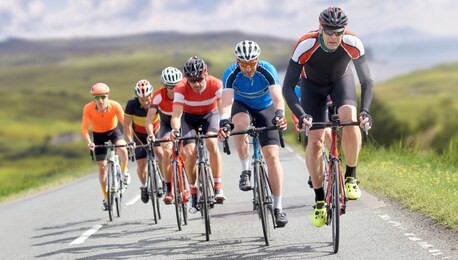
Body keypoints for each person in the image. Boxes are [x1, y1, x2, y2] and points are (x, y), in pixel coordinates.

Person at [282, 7, 373, 227]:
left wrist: (365, 111)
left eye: (338, 32)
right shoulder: (305, 44)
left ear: (344, 30)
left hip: (341, 81)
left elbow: (367, 81)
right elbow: (287, 87)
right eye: (329, 31)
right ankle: (320, 199)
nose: (333, 37)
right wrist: (301, 115)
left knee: (350, 118)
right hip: (311, 88)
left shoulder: (353, 43)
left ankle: (351, 176)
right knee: (315, 142)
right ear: (321, 28)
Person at [217, 40, 288, 227]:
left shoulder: (267, 70)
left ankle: (278, 207)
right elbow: (226, 101)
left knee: (272, 157)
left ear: (258, 59)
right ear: (237, 61)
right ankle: (245, 170)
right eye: (243, 64)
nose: (248, 68)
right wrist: (225, 121)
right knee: (239, 123)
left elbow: (277, 98)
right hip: (242, 107)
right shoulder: (231, 73)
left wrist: (280, 114)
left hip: (266, 107)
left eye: (252, 63)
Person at [170, 56, 225, 213]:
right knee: (189, 152)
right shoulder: (180, 88)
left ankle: (218, 186)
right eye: (192, 81)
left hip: (210, 115)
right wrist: (175, 130)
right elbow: (176, 116)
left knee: (211, 143)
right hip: (189, 119)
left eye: (200, 79)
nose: (196, 84)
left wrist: (224, 125)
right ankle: (193, 192)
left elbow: (222, 110)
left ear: (205, 74)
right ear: (186, 79)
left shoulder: (216, 83)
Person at [81, 83, 131, 211]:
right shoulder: (88, 108)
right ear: (94, 99)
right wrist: (89, 142)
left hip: (113, 131)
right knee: (102, 167)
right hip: (98, 135)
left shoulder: (115, 105)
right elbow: (84, 129)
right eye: (96, 98)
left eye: (103, 97)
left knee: (122, 148)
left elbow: (125, 124)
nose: (100, 100)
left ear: (107, 96)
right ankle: (106, 198)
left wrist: (129, 139)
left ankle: (124, 172)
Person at [145, 67, 183, 205]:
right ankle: (169, 189)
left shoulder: (184, 93)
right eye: (169, 86)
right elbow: (149, 120)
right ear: (164, 85)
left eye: (176, 85)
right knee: (167, 152)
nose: (173, 89)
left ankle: (196, 183)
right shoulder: (158, 95)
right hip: (166, 125)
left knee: (189, 152)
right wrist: (150, 134)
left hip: (183, 123)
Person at [124, 79, 163, 204]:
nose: (146, 102)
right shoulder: (131, 104)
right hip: (139, 135)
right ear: (137, 97)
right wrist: (129, 141)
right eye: (142, 100)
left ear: (152, 94)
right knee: (141, 165)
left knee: (160, 153)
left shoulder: (157, 100)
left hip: (155, 131)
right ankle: (145, 185)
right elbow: (126, 125)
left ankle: (164, 181)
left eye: (148, 98)